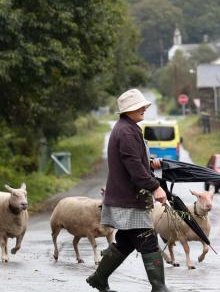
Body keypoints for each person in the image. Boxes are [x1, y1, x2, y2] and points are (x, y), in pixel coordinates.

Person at [87, 89, 170, 292]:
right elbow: (134, 169)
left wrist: (150, 162)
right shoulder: (126, 131)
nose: (143, 109)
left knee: (125, 241)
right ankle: (159, 288)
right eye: (138, 107)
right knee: (148, 241)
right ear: (128, 111)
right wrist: (155, 187)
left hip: (127, 199)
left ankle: (98, 278)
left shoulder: (128, 128)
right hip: (129, 201)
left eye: (143, 106)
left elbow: (134, 161)